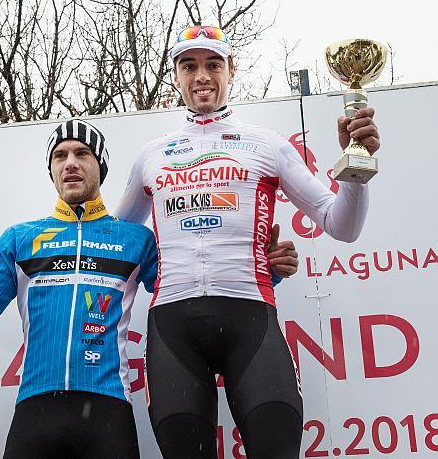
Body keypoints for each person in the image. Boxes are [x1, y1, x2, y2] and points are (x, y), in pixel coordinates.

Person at [0, 119, 299, 458]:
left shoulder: (135, 240)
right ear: (51, 170)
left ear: (100, 166)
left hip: (109, 413)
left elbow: (191, 294)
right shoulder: (20, 239)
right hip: (35, 411)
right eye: (60, 156)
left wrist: (269, 272)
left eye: (82, 154)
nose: (70, 163)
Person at [114, 25, 380, 459]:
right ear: (176, 76)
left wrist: (356, 166)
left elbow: (341, 224)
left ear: (231, 71)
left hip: (250, 319)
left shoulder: (266, 145)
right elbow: (114, 241)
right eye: (189, 65)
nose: (202, 75)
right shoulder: (152, 155)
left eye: (213, 64)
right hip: (172, 326)